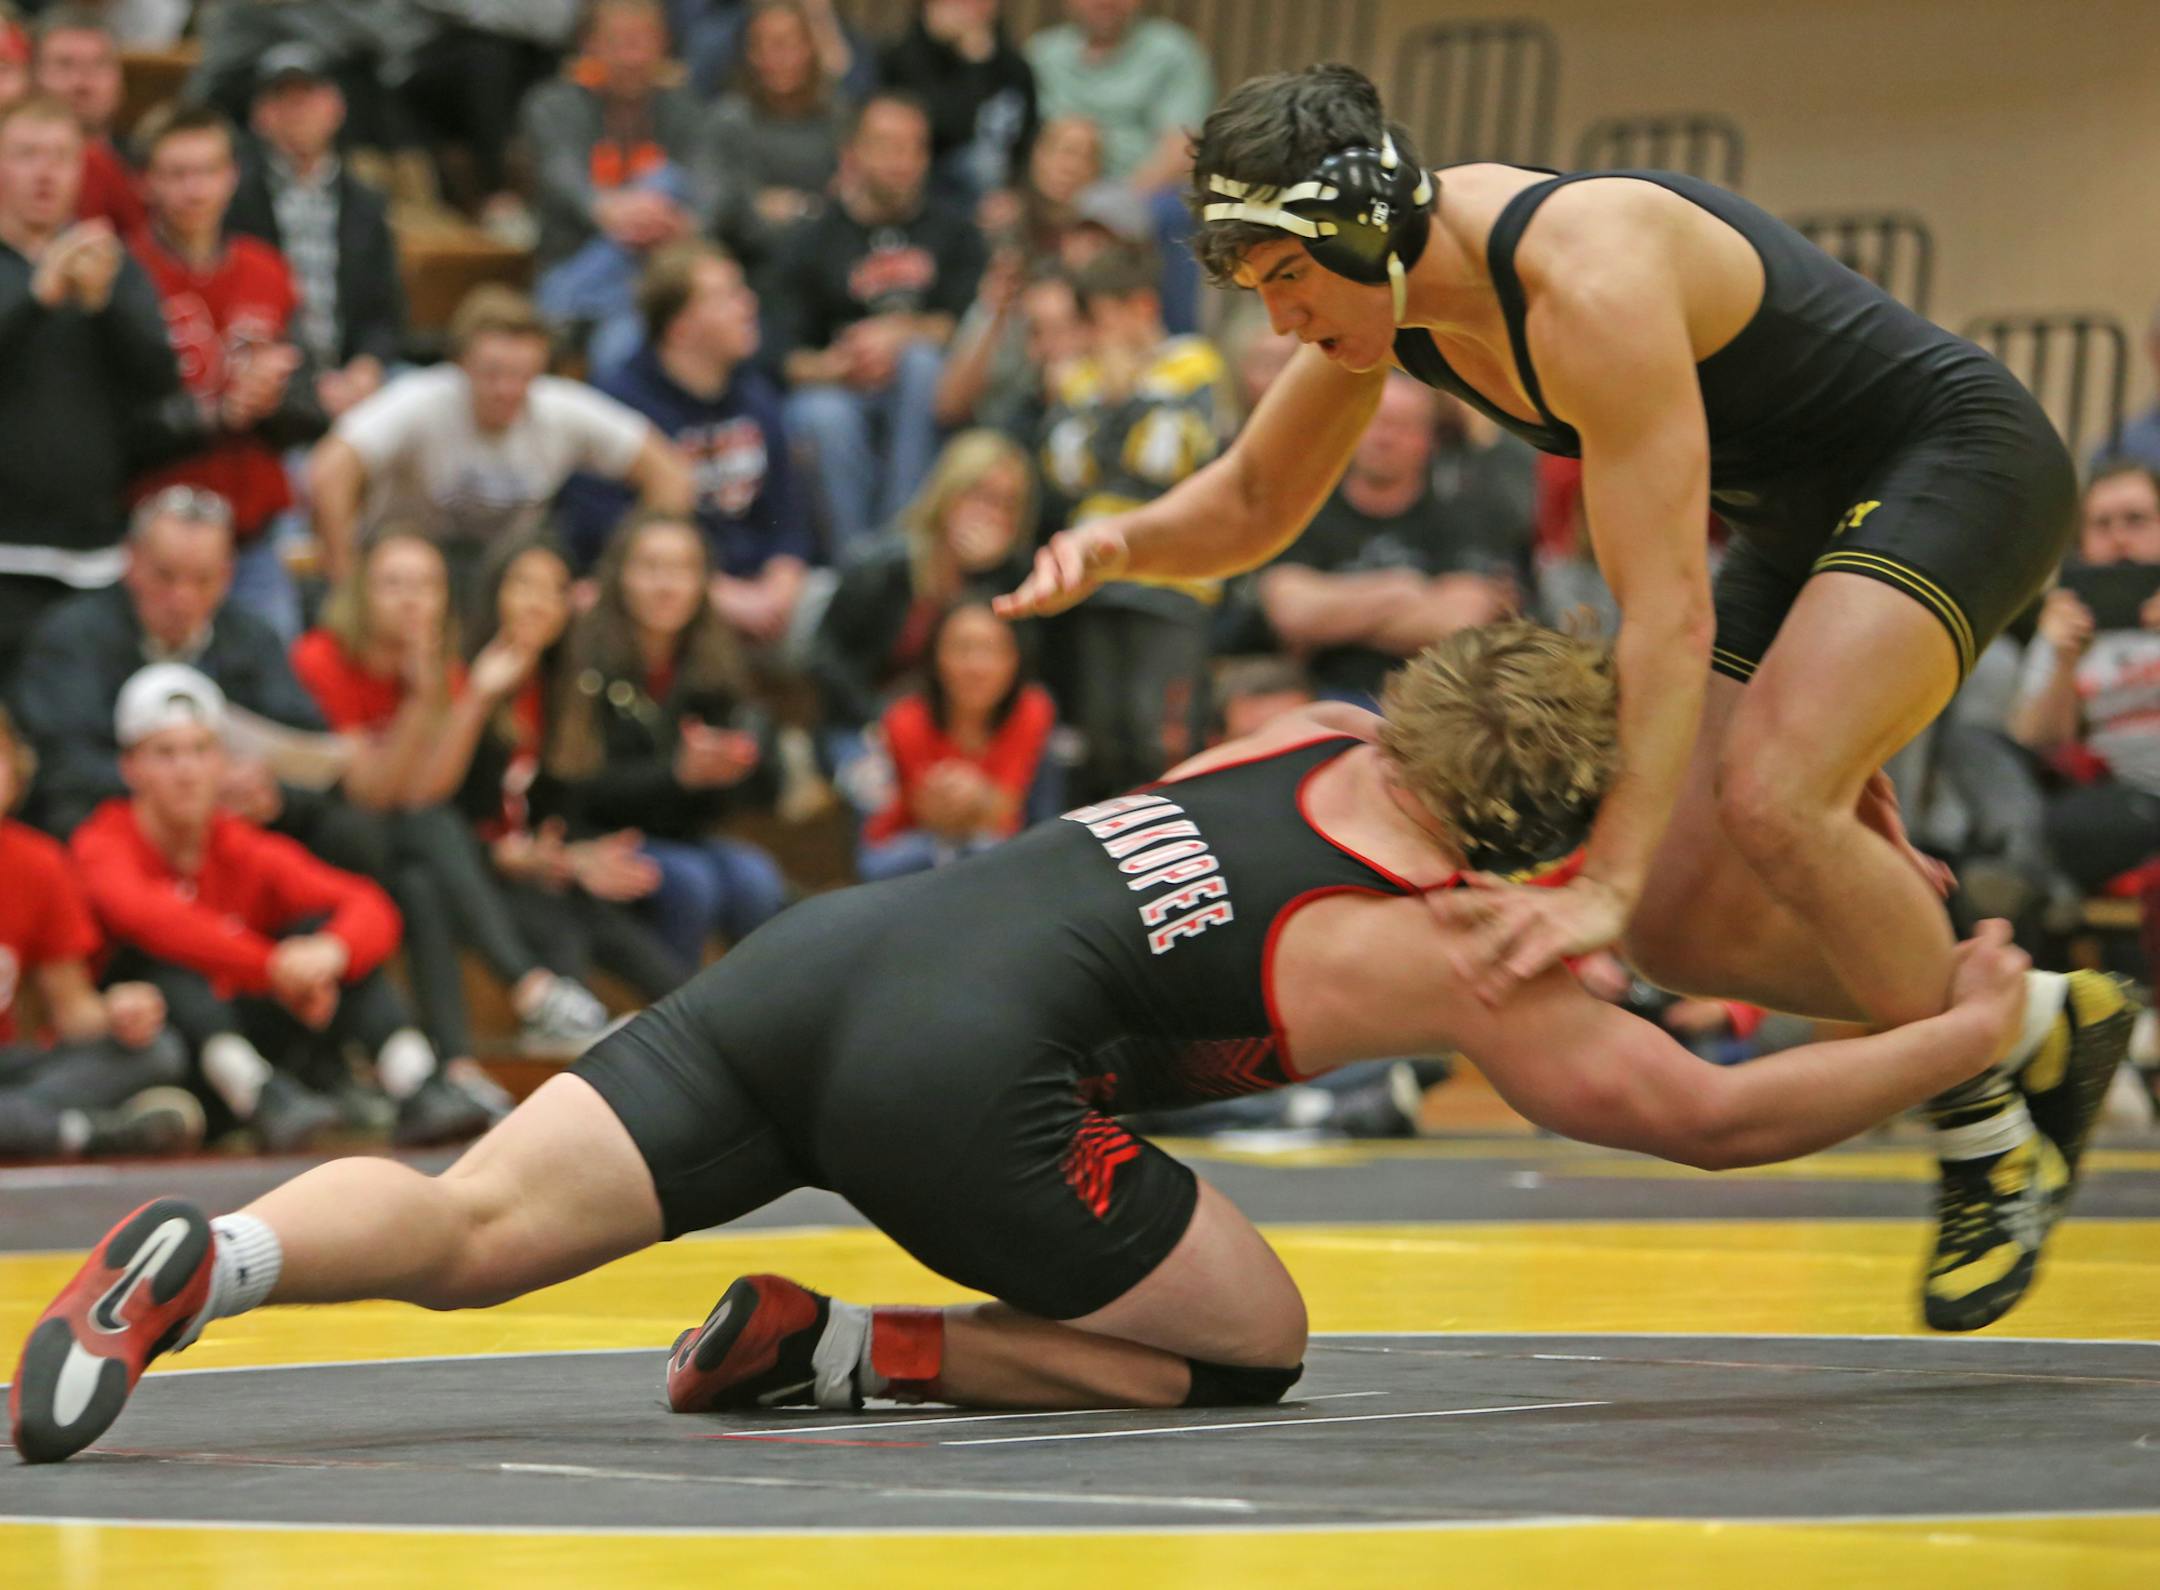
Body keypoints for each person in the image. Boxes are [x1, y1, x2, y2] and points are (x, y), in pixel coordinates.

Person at [12, 620, 2091, 1467]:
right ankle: (851, 1350)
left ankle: (217, 1259)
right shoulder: (1468, 952)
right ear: (1532, 840)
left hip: (829, 962)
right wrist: (1957, 1037)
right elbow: (1709, 1120)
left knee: (472, 1224)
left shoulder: (1304, 732)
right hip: (967, 1086)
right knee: (1250, 1345)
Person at [998, 63, 2131, 1332]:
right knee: (1677, 932)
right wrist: (1122, 541)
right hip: (1798, 525)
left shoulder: (1586, 276)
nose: (1278, 320)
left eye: (1288, 277)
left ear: (1364, 228)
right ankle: (2038, 1022)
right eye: (1258, 287)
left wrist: (1603, 879)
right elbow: (1259, 501)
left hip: (1956, 463)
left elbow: (1666, 614)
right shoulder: (1395, 297)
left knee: (1771, 796)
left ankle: (1987, 1131)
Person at [71, 664, 489, 1154]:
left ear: (222, 762)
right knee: (169, 968)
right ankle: (259, 1093)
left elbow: (369, 903)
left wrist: (329, 954)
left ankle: (417, 1081)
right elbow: (152, 921)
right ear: (130, 767)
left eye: (200, 751)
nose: (186, 771)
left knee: (322, 934)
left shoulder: (238, 842)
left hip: (257, 1033)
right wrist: (275, 969)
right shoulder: (102, 841)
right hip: (159, 1055)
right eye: (165, 754)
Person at [291, 528, 618, 1063]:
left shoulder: (445, 668)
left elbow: (428, 791)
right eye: (394, 584)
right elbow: (371, 795)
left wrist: (474, 696)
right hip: (326, 839)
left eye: (427, 585)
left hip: (403, 847)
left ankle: (457, 1064)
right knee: (428, 829)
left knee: (422, 885)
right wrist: (422, 703)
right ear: (361, 592)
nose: (411, 599)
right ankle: (529, 986)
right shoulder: (321, 657)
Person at [7, 489, 383, 887]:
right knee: (69, 822)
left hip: (236, 825)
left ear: (228, 575)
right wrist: (181, 788)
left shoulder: (251, 637)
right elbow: (59, 766)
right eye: (165, 576)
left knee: (351, 832)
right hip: (123, 823)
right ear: (132, 562)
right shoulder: (72, 637)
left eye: (203, 579)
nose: (182, 598)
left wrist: (269, 791)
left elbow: (310, 749)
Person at [308, 285, 692, 588]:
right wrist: (346, 581)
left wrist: (619, 581)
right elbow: (330, 470)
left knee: (543, 573)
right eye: (492, 373)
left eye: (522, 375)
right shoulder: (422, 399)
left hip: (506, 578)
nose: (506, 389)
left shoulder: (558, 409)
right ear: (461, 364)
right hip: (412, 570)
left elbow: (670, 476)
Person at [456, 532, 692, 1004]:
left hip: (538, 869)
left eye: (555, 589)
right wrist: (505, 856)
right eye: (524, 584)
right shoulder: (462, 679)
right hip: (473, 875)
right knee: (562, 936)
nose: (539, 602)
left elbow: (559, 809)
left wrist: (575, 856)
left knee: (660, 969)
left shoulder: (563, 689)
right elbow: (433, 813)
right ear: (493, 592)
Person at [127, 101, 327, 644]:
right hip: (160, 538)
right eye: (177, 174)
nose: (195, 190)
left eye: (208, 171)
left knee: (269, 676)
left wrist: (275, 397)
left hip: (253, 534)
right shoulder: (126, 276)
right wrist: (219, 412)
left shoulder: (267, 269)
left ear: (232, 177)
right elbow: (113, 422)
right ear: (146, 182)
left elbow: (313, 404)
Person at [558, 242, 817, 659]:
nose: (748, 305)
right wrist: (718, 595)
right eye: (726, 296)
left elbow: (788, 518)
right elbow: (606, 538)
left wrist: (779, 586)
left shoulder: (757, 395)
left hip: (760, 592)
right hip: (665, 597)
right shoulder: (614, 406)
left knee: (833, 605)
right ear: (680, 327)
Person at [555, 510, 789, 966]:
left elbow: (763, 795)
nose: (667, 585)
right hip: (600, 833)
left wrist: (737, 765)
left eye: (683, 569)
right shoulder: (583, 657)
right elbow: (576, 787)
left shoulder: (714, 660)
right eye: (650, 567)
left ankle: (758, 1009)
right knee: (690, 883)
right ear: (618, 575)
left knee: (756, 879)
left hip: (680, 832)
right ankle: (674, 1009)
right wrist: (676, 775)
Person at [1038, 240, 1228, 800]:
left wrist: (1119, 399)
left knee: (1160, 740)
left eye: (1099, 320)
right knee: (1102, 738)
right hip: (1096, 578)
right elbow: (1067, 469)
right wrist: (1124, 407)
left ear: (1141, 306)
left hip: (1175, 579)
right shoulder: (1083, 378)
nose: (1093, 338)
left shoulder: (1194, 364)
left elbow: (1166, 458)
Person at [0, 94, 181, 678]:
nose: (45, 172)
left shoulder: (113, 266)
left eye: (60, 157)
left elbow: (160, 381)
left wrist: (105, 307)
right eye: (27, 154)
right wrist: (36, 299)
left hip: (94, 553)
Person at [765, 90, 985, 551]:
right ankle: (860, 563)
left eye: (913, 148)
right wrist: (835, 367)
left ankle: (904, 543)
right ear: (852, 154)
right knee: (824, 416)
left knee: (921, 362)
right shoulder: (809, 240)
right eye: (886, 146)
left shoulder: (957, 232)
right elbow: (778, 351)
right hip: (838, 389)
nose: (901, 161)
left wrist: (900, 335)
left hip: (927, 392)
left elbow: (967, 323)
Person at [1220, 373, 1516, 706]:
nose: (1384, 438)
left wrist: (1335, 614)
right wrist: (1401, 590)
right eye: (1374, 422)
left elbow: (1460, 623)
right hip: (1319, 698)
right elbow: (1293, 613)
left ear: (1429, 438)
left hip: (1432, 703)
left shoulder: (1461, 513)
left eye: (1401, 426)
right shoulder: (1305, 508)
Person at [0, 702, 201, 1161]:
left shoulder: (38, 862)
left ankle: (29, 1125)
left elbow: (72, 1011)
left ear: (15, 770)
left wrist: (115, 1013)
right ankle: (86, 1132)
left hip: (11, 1068)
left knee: (156, 1051)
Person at [523, 0, 711, 377]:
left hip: (661, 275)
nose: (632, 57)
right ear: (590, 45)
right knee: (662, 182)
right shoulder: (552, 105)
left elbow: (711, 184)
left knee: (665, 179)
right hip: (576, 259)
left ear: (663, 45)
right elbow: (561, 174)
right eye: (619, 42)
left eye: (642, 42)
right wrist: (605, 210)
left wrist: (687, 223)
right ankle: (572, 296)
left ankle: (562, 305)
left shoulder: (687, 110)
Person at [811, 427, 1033, 738]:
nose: (991, 515)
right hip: (867, 723)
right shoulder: (884, 565)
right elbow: (825, 657)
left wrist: (992, 574)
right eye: (979, 495)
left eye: (1007, 504)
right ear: (947, 494)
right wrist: (880, 719)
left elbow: (1022, 672)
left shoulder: (1012, 579)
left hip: (964, 731)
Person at [225, 43, 406, 420]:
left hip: (353, 376)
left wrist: (367, 367)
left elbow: (385, 311)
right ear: (259, 115)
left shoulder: (366, 203)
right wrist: (302, 382)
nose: (297, 112)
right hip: (271, 379)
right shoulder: (233, 198)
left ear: (336, 107)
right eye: (282, 100)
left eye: (307, 97)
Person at [2009, 462, 2160, 901]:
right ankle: (2030, 875)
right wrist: (2064, 661)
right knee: (1977, 743)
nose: (2119, 537)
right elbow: (2037, 740)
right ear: (2083, 542)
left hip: (2136, 801)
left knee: (2070, 828)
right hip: (2101, 795)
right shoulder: (2067, 621)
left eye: (2136, 519)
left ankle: (2031, 880)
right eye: (2102, 524)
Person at [1023, 0, 1211, 333]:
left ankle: (1177, 340)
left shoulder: (1172, 51)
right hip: (1052, 183)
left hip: (1138, 189)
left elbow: (1181, 147)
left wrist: (1115, 204)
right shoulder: (1041, 53)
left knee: (1173, 210)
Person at [857, 598, 1055, 880]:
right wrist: (982, 800)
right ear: (936, 657)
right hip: (905, 846)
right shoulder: (903, 719)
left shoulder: (1032, 709)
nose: (976, 667)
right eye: (962, 649)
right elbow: (932, 816)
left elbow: (1009, 808)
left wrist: (977, 798)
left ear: (1015, 658)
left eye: (991, 649)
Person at [694, 0, 852, 274]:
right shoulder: (728, 121)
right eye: (761, 46)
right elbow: (715, 207)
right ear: (748, 55)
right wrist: (757, 208)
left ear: (810, 48)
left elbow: (851, 201)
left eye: (787, 44)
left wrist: (800, 208)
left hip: (825, 264)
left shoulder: (838, 117)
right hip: (746, 263)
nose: (775, 58)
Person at [879, 0, 1037, 205]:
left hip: (997, 196)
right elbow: (947, 129)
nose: (970, 6)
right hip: (927, 183)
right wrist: (972, 60)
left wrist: (1015, 195)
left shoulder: (1014, 68)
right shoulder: (904, 57)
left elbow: (1027, 141)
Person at [29, 7, 142, 236]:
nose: (82, 83)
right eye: (65, 65)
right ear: (33, 77)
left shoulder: (145, 166)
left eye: (98, 64)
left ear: (120, 79)